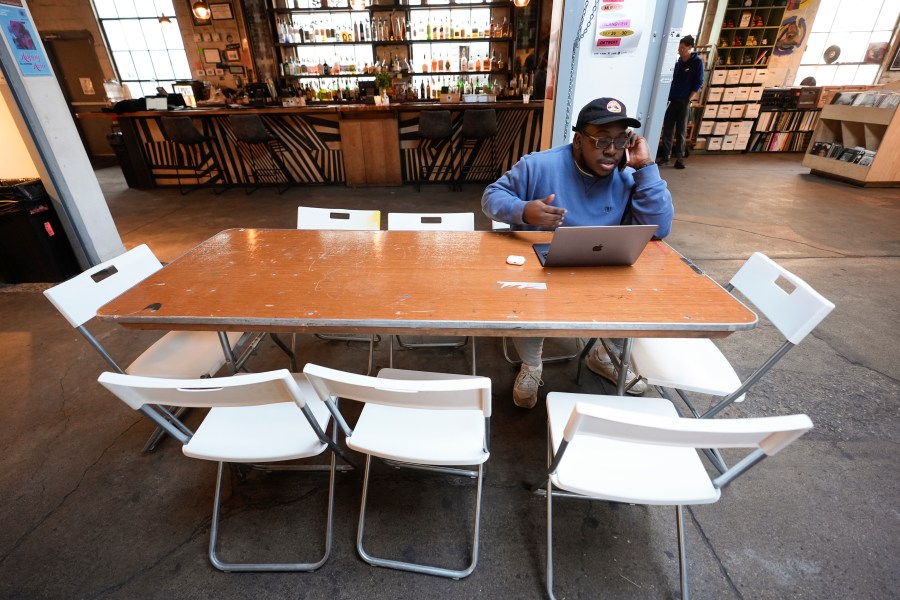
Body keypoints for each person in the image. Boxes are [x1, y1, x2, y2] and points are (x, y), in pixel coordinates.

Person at [482, 97, 675, 408]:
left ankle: (602, 356)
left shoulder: (629, 175)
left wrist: (647, 168)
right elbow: (491, 197)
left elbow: (659, 230)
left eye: (620, 140)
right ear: (578, 140)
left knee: (641, 285)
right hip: (541, 272)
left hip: (600, 268)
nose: (611, 150)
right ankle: (531, 366)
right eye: (601, 140)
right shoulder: (539, 165)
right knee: (525, 294)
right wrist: (522, 211)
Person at [657, 35, 704, 169]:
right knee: (667, 130)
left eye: (682, 48)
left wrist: (688, 99)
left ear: (690, 48)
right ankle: (665, 157)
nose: (680, 50)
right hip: (672, 100)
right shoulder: (678, 63)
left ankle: (680, 159)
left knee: (681, 132)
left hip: (684, 101)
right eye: (679, 48)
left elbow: (699, 81)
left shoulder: (697, 62)